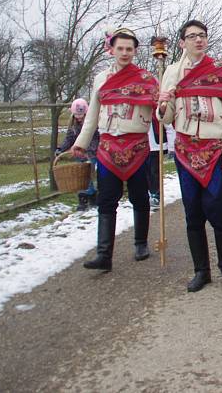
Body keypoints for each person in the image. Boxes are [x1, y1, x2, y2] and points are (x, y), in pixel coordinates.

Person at [158, 19, 222, 292]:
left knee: (218, 209)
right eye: (192, 36)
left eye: (202, 36)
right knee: (192, 212)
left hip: (215, 150)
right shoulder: (172, 72)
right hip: (185, 151)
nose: (198, 40)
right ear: (182, 42)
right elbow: (167, 117)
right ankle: (201, 270)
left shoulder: (220, 71)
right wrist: (162, 103)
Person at [72, 29, 158, 271]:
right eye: (120, 48)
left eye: (129, 49)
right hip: (108, 146)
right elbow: (92, 114)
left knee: (139, 197)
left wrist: (162, 103)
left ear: (135, 51)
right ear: (112, 49)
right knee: (106, 200)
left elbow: (159, 110)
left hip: (137, 146)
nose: (124, 53)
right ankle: (104, 254)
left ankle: (140, 243)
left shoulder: (146, 78)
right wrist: (80, 141)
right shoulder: (101, 79)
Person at [57, 98, 98, 211]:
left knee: (91, 176)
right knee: (81, 177)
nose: (79, 117)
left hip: (91, 154)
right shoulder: (73, 126)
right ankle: (83, 199)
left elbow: (95, 138)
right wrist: (61, 148)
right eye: (76, 115)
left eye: (81, 114)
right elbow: (69, 138)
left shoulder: (92, 124)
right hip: (79, 155)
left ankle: (93, 196)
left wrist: (89, 150)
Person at [146, 117, 175, 208]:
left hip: (156, 146)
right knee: (145, 172)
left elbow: (169, 126)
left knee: (154, 171)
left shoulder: (157, 111)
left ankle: (156, 194)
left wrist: (171, 147)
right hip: (142, 146)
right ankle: (148, 193)